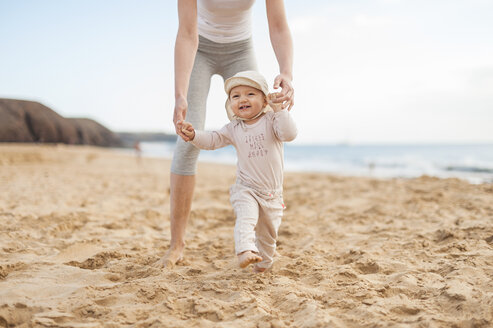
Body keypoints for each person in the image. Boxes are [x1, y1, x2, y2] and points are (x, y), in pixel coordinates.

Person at [156, 0, 294, 267]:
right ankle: (177, 245)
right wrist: (180, 96)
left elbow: (278, 25)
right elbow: (186, 32)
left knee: (263, 129)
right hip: (199, 49)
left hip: (241, 50)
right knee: (187, 140)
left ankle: (259, 237)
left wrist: (286, 72)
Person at [179, 70, 297, 271]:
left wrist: (280, 111)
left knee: (269, 236)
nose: (243, 99)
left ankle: (263, 265)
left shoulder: (272, 121)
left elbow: (289, 134)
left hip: (273, 195)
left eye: (250, 94)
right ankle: (244, 251)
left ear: (264, 99)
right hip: (246, 188)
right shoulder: (234, 128)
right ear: (230, 104)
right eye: (236, 96)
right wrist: (194, 135)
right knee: (246, 218)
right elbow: (213, 140)